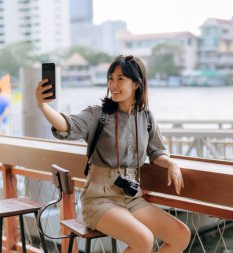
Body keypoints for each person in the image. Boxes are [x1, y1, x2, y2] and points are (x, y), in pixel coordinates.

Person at [35, 55, 191, 253]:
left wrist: (172, 164)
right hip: (99, 199)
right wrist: (43, 106)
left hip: (132, 197)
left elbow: (156, 151)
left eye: (120, 79)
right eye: (111, 78)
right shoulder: (98, 114)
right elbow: (67, 124)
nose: (113, 84)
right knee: (144, 240)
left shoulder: (146, 117)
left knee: (180, 235)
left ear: (136, 83)